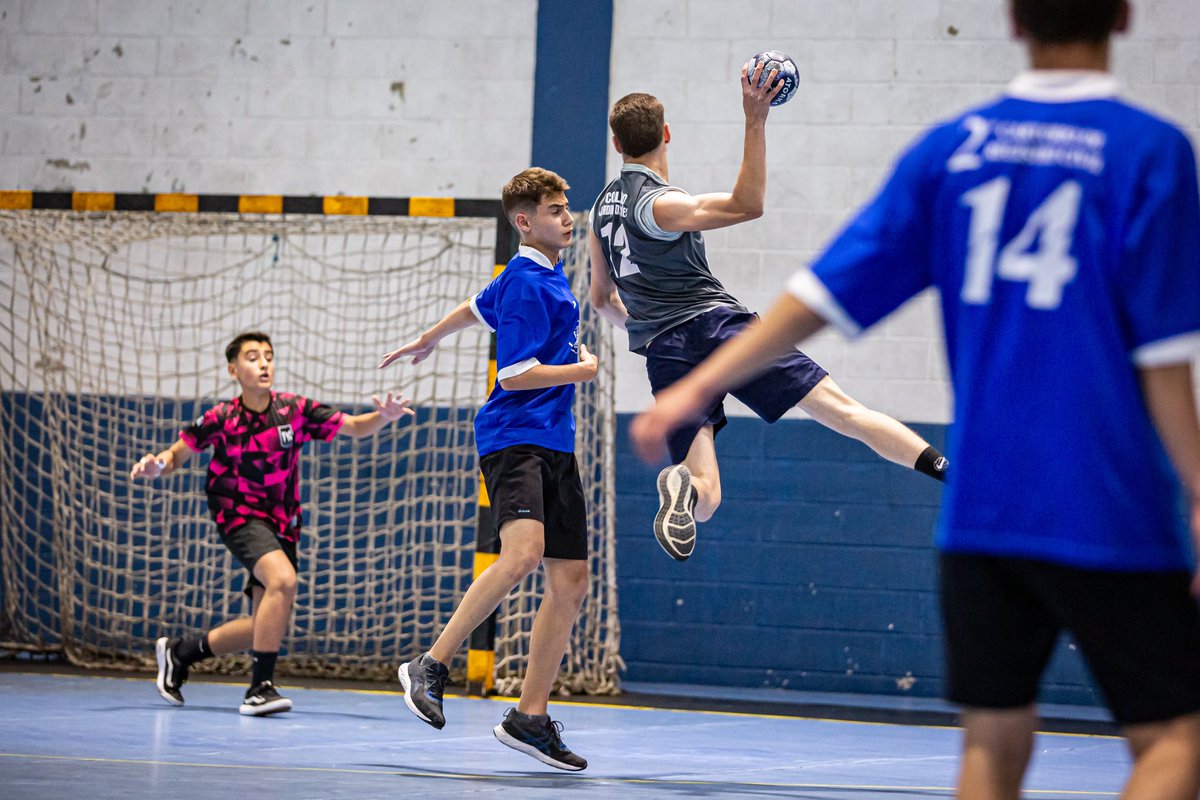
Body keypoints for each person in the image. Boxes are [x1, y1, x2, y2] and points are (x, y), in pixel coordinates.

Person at [631, 2, 1200, 797]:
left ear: (1013, 21)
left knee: (992, 746)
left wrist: (685, 391)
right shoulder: (1154, 153)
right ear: (1125, 18)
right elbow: (1166, 361)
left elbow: (819, 294)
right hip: (1104, 492)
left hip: (982, 507)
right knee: (1173, 736)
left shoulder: (951, 151)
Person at [588, 64, 948, 563]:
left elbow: (601, 300)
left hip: (664, 351)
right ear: (666, 135)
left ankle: (683, 489)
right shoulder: (663, 204)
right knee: (845, 413)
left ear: (615, 144)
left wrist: (646, 327)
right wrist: (754, 119)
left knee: (707, 494)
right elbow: (747, 204)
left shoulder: (599, 211)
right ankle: (947, 470)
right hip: (718, 328)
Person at [379, 167, 594, 771]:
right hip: (515, 438)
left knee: (570, 581)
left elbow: (477, 306)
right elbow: (513, 373)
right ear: (525, 222)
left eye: (565, 208)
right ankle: (431, 663)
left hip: (555, 444)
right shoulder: (530, 282)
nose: (567, 218)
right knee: (523, 555)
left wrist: (429, 337)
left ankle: (529, 717)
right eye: (554, 211)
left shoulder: (533, 275)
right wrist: (583, 370)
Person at [130, 331, 414, 716]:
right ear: (234, 369)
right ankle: (259, 689)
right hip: (237, 514)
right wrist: (157, 464)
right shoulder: (221, 417)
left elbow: (354, 426)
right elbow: (178, 453)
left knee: (266, 622)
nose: (263, 363)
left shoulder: (294, 410)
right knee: (283, 580)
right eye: (252, 357)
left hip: (283, 521)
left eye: (268, 356)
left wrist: (383, 416)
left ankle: (180, 653)